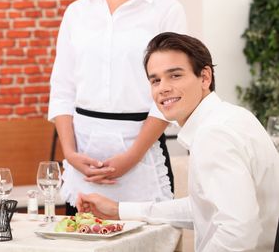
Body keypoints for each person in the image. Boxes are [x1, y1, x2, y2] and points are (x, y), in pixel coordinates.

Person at [77, 32, 279, 252]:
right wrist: (119, 210)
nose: (163, 88)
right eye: (155, 80)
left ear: (205, 78)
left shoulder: (214, 134)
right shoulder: (232, 116)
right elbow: (203, 207)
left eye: (174, 75)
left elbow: (238, 232)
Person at [48, 0, 186, 214]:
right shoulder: (77, 13)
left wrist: (132, 156)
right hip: (83, 158)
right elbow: (62, 89)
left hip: (140, 152)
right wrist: (69, 153)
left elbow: (171, 92)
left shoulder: (165, 11)